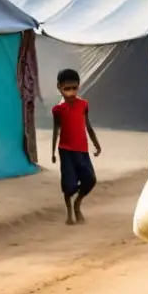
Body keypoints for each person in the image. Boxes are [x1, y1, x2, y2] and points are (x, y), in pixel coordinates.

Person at [52, 69, 101, 225]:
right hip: (66, 150)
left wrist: (96, 143)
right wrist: (53, 152)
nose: (71, 92)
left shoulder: (83, 105)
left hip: (82, 150)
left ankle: (77, 203)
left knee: (90, 180)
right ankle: (69, 213)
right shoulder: (58, 110)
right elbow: (56, 130)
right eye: (67, 88)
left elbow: (88, 125)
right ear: (59, 87)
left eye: (74, 88)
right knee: (69, 184)